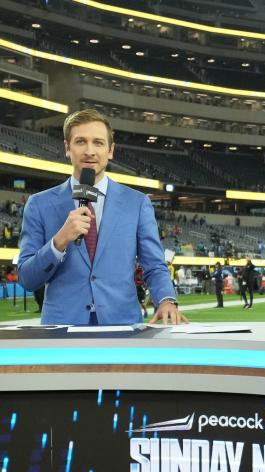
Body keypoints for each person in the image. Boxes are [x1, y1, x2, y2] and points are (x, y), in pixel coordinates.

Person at [17, 109, 185, 326]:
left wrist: (166, 300)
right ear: (67, 148)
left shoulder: (136, 202)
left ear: (110, 150)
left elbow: (154, 265)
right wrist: (59, 241)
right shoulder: (39, 204)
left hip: (122, 325)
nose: (89, 151)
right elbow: (27, 279)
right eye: (80, 142)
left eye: (98, 142)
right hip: (61, 330)